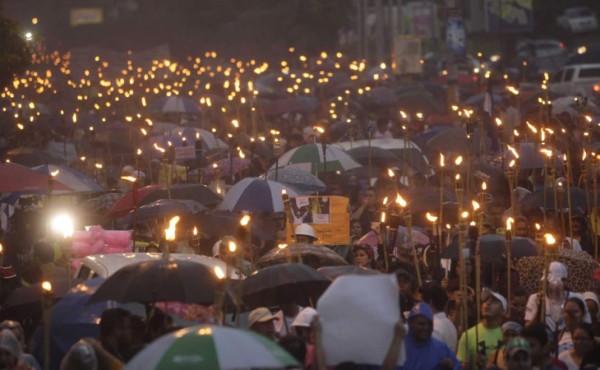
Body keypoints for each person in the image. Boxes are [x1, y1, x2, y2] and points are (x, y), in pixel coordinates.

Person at [525, 261, 591, 332]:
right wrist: (539, 310)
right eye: (548, 282)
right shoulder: (535, 298)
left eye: (556, 282)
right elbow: (528, 328)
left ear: (565, 281)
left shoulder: (577, 298)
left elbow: (587, 325)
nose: (551, 285)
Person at [457, 290, 506, 369]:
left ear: (503, 311)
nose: (488, 303)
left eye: (494, 301)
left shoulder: (508, 334)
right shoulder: (468, 335)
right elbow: (461, 364)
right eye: (486, 301)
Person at [403, 303, 460, 370]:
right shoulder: (398, 348)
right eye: (421, 324)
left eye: (429, 324)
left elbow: (456, 365)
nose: (426, 327)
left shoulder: (441, 348)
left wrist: (452, 367)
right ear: (411, 324)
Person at [419, 280, 458, 352]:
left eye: (421, 302)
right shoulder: (449, 323)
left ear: (430, 302)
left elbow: (430, 357)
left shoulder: (433, 328)